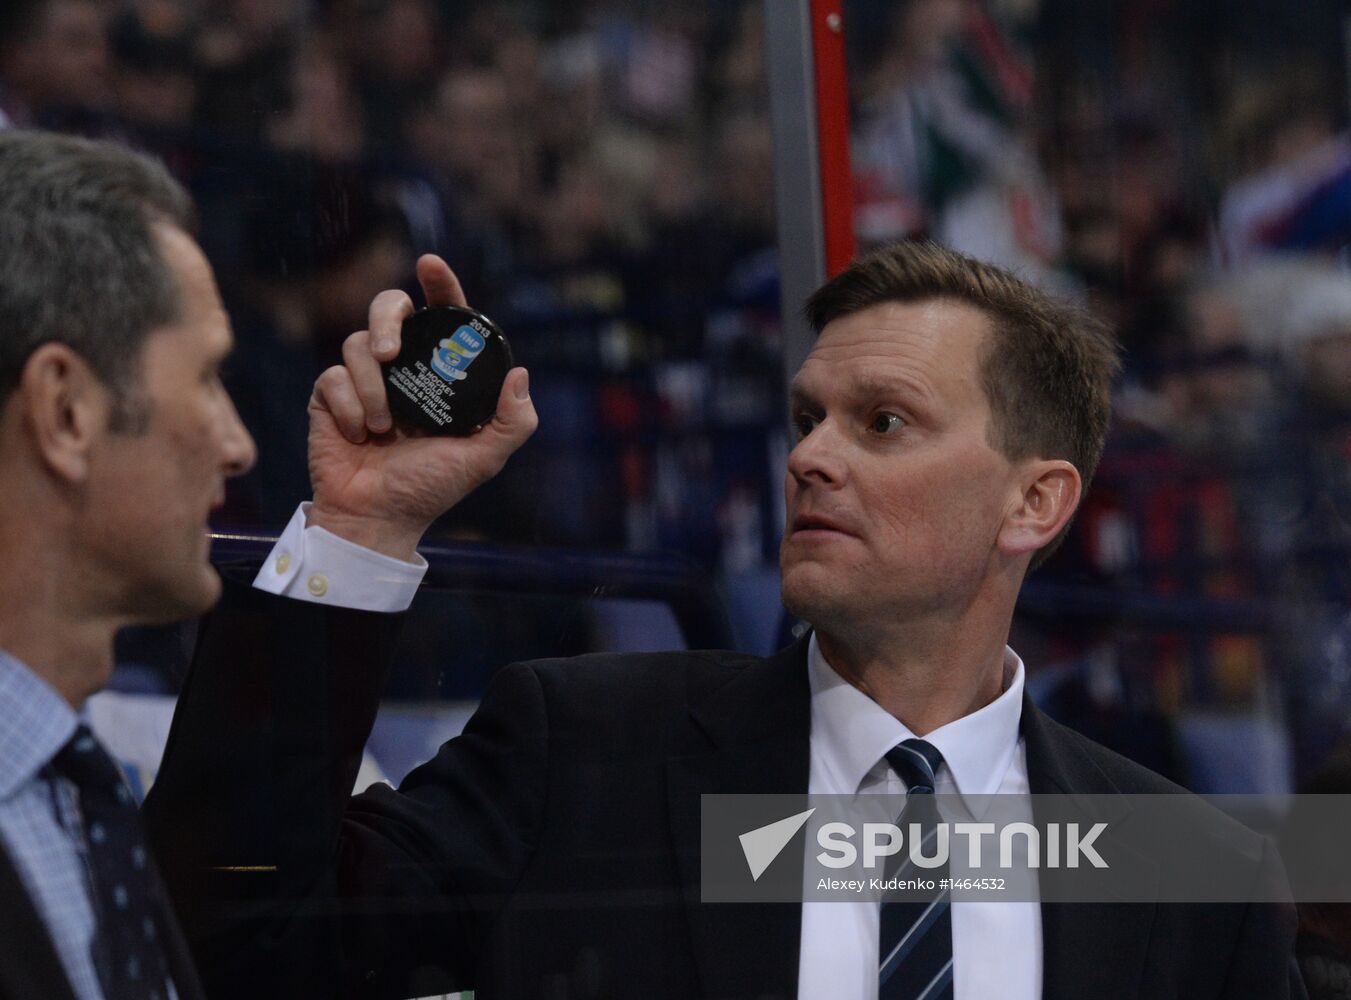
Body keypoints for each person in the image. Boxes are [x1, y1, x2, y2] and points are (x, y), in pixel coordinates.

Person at [143, 241, 1304, 999]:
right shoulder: (579, 747)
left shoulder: (1192, 873)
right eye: (807, 418)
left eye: (882, 422)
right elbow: (229, 942)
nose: (809, 456)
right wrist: (358, 528)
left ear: (1035, 502)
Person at [0, 130, 536, 1000]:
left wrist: (362, 524)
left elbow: (232, 945)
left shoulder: (65, 786)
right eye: (206, 379)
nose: (239, 445)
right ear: (65, 412)